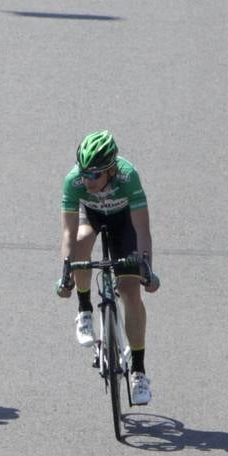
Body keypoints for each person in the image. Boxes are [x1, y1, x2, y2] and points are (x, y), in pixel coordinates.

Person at [56, 130, 160, 405]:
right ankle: (85, 310)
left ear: (111, 171)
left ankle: (138, 371)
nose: (87, 181)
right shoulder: (74, 181)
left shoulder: (128, 177)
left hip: (123, 223)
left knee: (130, 292)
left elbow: (142, 230)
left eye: (95, 175)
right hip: (91, 218)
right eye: (84, 173)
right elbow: (67, 233)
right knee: (79, 245)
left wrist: (146, 268)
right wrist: (65, 275)